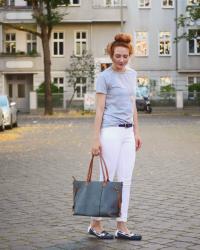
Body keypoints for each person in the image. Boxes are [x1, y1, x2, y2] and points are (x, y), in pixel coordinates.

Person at [88, 33, 142, 240]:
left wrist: (136, 132)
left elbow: (132, 105)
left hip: (128, 133)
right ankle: (96, 223)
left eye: (125, 56)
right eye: (117, 56)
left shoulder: (132, 75)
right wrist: (95, 139)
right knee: (106, 180)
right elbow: (99, 110)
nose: (121, 60)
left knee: (126, 180)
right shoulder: (104, 77)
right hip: (109, 131)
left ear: (130, 55)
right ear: (111, 54)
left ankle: (122, 226)